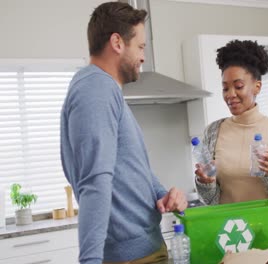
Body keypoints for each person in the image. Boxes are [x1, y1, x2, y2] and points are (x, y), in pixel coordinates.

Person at [60, 2, 187, 264]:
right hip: (133, 257)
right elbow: (95, 181)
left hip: (144, 249)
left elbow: (129, 166)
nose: (143, 56)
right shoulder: (95, 90)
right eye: (140, 47)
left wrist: (161, 194)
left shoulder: (105, 90)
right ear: (117, 42)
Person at [194, 40, 268, 206]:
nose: (230, 94)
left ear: (257, 87)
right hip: (228, 230)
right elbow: (210, 201)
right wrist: (206, 183)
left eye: (238, 86)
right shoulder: (213, 131)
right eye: (225, 88)